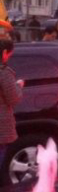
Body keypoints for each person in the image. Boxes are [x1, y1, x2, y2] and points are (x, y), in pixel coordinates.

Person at [0, 40, 24, 169]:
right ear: (4, 52)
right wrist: (19, 85)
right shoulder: (3, 72)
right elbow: (13, 98)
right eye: (9, 55)